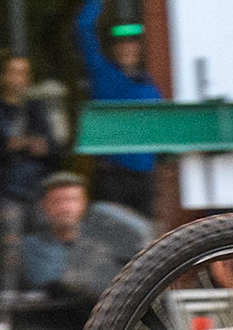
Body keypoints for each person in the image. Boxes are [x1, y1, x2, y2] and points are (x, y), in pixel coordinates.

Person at [17, 172, 151, 324]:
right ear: (44, 205)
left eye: (72, 200)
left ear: (84, 204)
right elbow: (51, 284)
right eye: (57, 201)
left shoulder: (102, 244)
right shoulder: (32, 246)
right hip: (49, 325)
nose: (65, 208)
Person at [74, 0, 163, 216]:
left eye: (132, 43)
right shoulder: (102, 73)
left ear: (139, 48)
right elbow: (83, 27)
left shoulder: (150, 87)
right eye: (121, 44)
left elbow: (161, 131)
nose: (127, 48)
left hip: (144, 178)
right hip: (112, 175)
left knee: (145, 234)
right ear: (113, 49)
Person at [0, 55, 59, 227]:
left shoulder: (36, 108)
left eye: (24, 73)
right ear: (2, 76)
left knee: (42, 237)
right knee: (11, 239)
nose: (19, 79)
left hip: (38, 188)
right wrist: (7, 147)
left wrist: (44, 148)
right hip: (6, 190)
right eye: (14, 72)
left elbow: (55, 149)